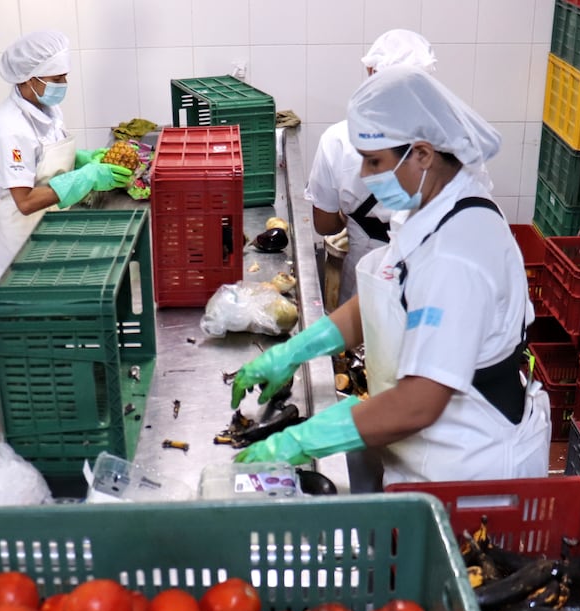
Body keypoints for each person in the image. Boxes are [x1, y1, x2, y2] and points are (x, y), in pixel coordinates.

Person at [231, 66, 551, 487]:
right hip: (428, 454)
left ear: (422, 154)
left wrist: (303, 440)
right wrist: (297, 351)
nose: (365, 175)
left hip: (469, 470)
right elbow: (385, 299)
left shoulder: (456, 253)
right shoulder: (431, 209)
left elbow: (418, 405)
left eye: (374, 161)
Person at [0, 30, 132, 287]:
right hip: (24, 235)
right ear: (29, 79)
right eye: (56, 78)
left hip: (50, 224)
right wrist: (86, 178)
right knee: (31, 307)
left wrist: (81, 159)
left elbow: (43, 158)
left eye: (65, 76)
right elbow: (26, 201)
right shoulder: (10, 128)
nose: (63, 83)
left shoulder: (48, 108)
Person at [304, 30, 436, 308]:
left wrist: (348, 219)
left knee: (365, 346)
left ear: (370, 72)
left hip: (365, 284)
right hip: (433, 285)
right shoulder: (453, 142)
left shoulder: (339, 139)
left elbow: (324, 224)